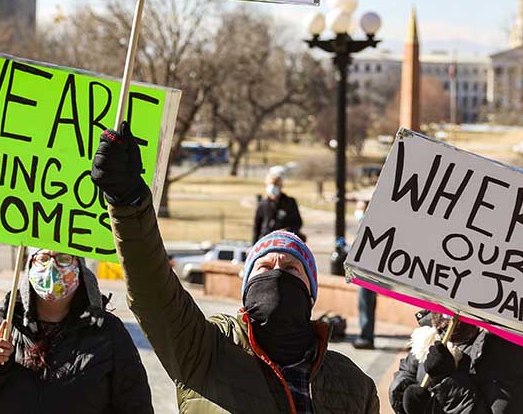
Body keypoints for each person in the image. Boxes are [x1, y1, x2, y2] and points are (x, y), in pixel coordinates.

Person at [92, 123, 379, 414]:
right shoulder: (206, 350)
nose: (276, 272)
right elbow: (153, 292)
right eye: (264, 266)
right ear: (246, 286)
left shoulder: (355, 385)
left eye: (291, 268)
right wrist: (129, 203)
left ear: (311, 292)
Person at [0, 249, 154, 414]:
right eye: (42, 258)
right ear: (29, 268)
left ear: (79, 268)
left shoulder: (107, 331)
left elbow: (136, 407)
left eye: (63, 259)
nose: (52, 267)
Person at [389, 312, 523, 414]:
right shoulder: (432, 328)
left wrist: (448, 380)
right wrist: (404, 395)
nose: (443, 317)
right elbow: (407, 371)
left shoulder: (511, 351)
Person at [252, 166, 305, 243]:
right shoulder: (263, 204)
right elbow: (256, 227)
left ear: (280, 186)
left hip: (286, 241)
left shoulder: (290, 202)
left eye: (275, 184)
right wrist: (253, 246)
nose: (272, 187)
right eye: (270, 184)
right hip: (267, 241)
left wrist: (286, 230)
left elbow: (298, 223)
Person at [352, 199, 377, 350]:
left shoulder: (372, 225)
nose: (358, 212)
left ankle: (366, 337)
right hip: (363, 271)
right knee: (365, 304)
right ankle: (366, 335)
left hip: (368, 272)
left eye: (361, 209)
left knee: (366, 303)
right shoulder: (363, 225)